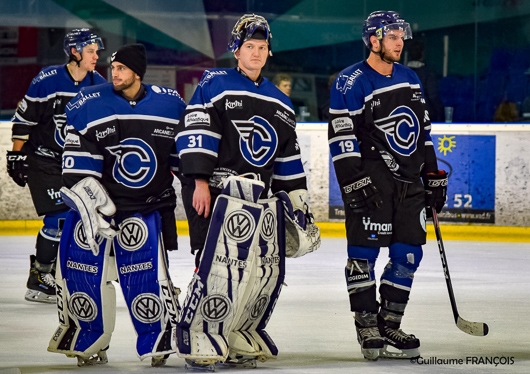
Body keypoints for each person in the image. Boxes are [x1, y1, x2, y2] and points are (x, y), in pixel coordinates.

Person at [175, 13, 320, 370]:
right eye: (249, 47)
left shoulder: (280, 102)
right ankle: (201, 333)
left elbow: (287, 158)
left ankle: (235, 330)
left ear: (269, 53)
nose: (256, 53)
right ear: (236, 51)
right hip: (216, 191)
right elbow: (196, 132)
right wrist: (199, 182)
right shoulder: (215, 82)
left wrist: (299, 203)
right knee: (214, 266)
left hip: (257, 200)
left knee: (253, 270)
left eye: (262, 48)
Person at [47, 43, 186, 367]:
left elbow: (182, 159)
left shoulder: (170, 104)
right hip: (99, 208)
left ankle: (157, 338)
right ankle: (89, 334)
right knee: (81, 270)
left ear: (137, 73)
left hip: (147, 206)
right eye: (113, 68)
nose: (114, 73)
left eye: (121, 68)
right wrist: (94, 203)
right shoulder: (90, 102)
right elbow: (78, 165)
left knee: (146, 277)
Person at [327, 11, 447, 361]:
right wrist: (353, 181)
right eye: (392, 36)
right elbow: (341, 135)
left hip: (410, 182)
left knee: (408, 254)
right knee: (363, 255)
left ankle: (389, 323)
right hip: (372, 178)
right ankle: (366, 324)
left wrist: (433, 177)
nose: (400, 42)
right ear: (373, 40)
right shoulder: (350, 82)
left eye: (401, 35)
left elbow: (421, 134)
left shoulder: (410, 78)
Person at [6, 28, 106, 303]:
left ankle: (59, 272)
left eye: (96, 51)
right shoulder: (47, 80)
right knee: (57, 218)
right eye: (90, 51)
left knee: (76, 219)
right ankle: (40, 275)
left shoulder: (97, 83)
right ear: (74, 52)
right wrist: (16, 155)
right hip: (43, 159)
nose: (96, 56)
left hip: (75, 163)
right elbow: (25, 119)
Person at [406, 39, 444, 122]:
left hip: (405, 117)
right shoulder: (428, 73)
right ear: (423, 54)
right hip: (425, 117)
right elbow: (433, 96)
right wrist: (441, 114)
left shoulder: (398, 73)